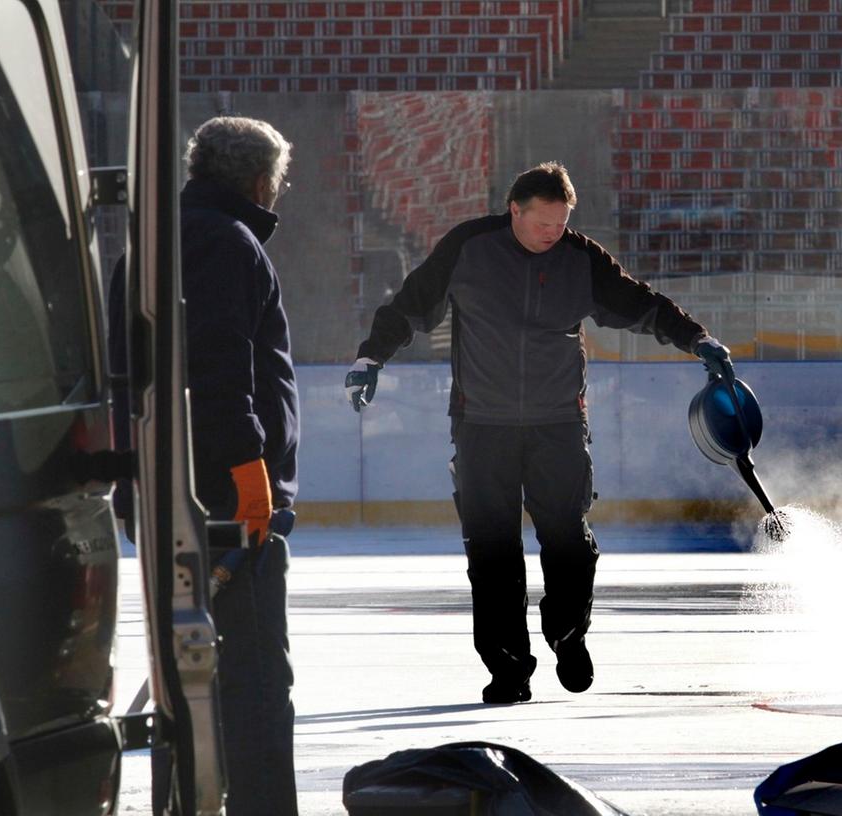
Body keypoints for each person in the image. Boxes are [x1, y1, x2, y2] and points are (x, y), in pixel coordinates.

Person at [345, 161, 735, 705]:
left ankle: (567, 634)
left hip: (558, 423)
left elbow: (641, 304)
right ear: (515, 211)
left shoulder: (581, 258)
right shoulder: (470, 247)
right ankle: (509, 669)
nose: (553, 232)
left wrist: (698, 340)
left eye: (561, 222)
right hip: (482, 425)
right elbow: (410, 306)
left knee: (570, 542)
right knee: (492, 553)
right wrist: (371, 359)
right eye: (543, 222)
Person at [108, 115, 300, 815]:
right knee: (252, 680)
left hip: (164, 492)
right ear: (259, 181)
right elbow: (221, 369)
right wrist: (252, 472)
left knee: (184, 677)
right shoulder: (227, 241)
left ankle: (187, 802)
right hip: (227, 502)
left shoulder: (147, 244)